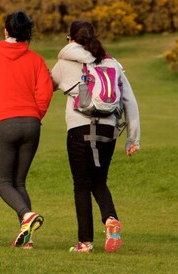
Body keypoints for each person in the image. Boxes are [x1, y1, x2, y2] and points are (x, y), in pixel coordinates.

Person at [50, 20, 141, 254]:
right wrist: (133, 139)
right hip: (109, 131)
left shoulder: (64, 62)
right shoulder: (112, 63)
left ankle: (85, 242)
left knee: (81, 184)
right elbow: (129, 101)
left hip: (79, 129)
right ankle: (110, 220)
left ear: (70, 38)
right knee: (99, 181)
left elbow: (43, 88)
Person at [0, 11, 54, 248]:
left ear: (6, 31)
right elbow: (46, 92)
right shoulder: (36, 60)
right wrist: (36, 114)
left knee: (2, 182)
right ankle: (26, 238)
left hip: (4, 122)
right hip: (31, 123)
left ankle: (26, 216)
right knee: (19, 183)